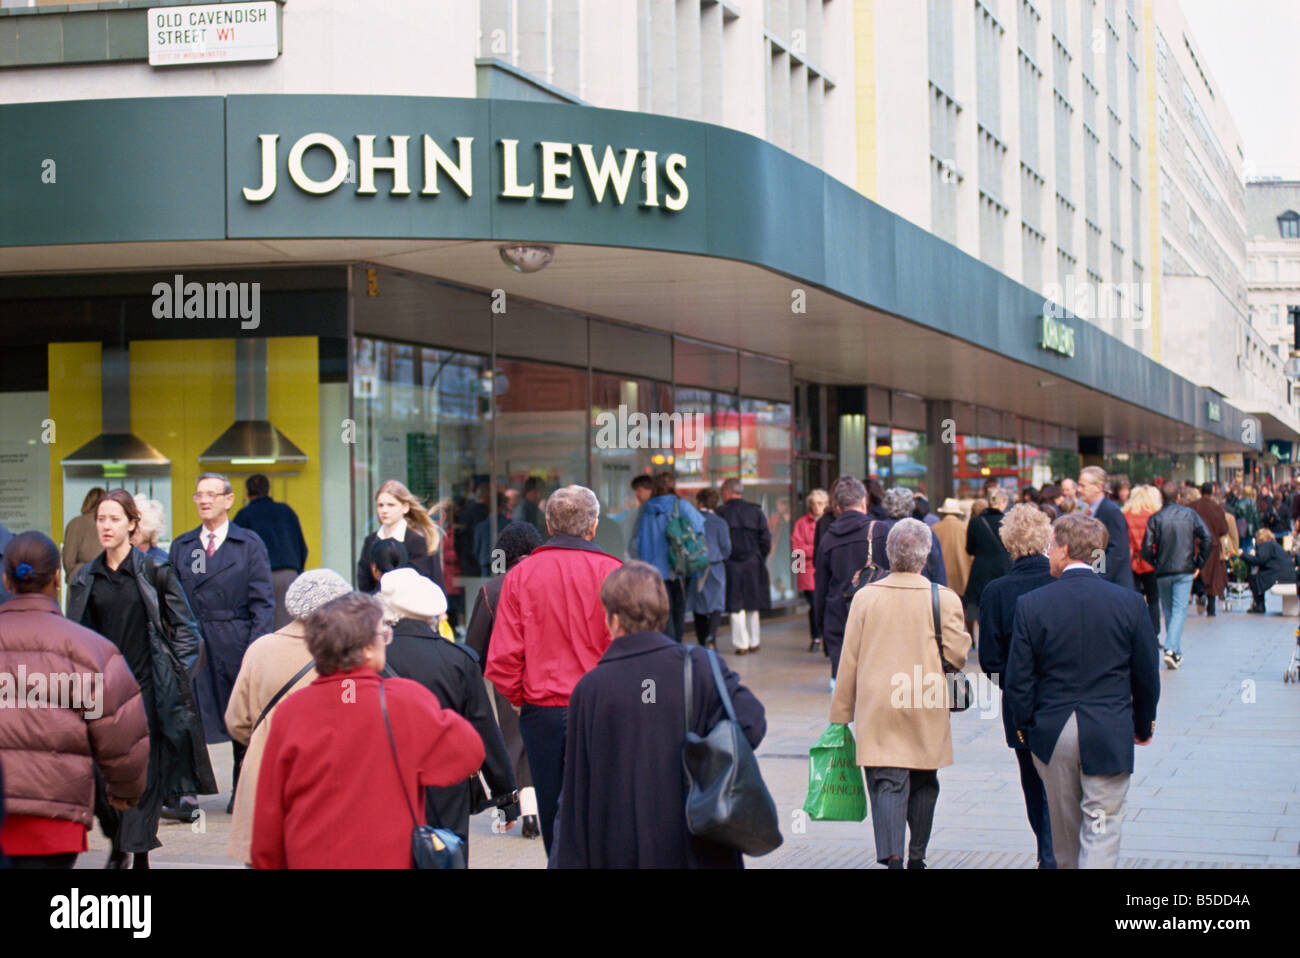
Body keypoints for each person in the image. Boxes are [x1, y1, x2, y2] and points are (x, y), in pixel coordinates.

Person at [550, 561, 767, 868]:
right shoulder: (701, 666)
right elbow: (752, 723)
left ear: (614, 620)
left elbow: (575, 794)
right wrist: (704, 763)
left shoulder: (590, 689)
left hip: (618, 850)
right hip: (698, 846)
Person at [251, 592, 485, 868]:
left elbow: (269, 815)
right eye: (382, 633)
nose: (386, 638)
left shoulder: (290, 712)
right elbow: (468, 753)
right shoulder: (406, 700)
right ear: (366, 649)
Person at [67, 489, 217, 868]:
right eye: (101, 519)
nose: (106, 526)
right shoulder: (85, 578)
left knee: (144, 772)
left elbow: (187, 630)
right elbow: (75, 640)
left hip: (147, 689)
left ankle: (140, 854)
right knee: (103, 773)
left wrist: (175, 674)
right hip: (103, 694)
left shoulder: (155, 571)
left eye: (114, 519)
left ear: (133, 525)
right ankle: (121, 842)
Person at [1004, 513, 1161, 869]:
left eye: (1051, 546)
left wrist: (1027, 727)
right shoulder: (1130, 603)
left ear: (1064, 549)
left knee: (1065, 838)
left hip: (1054, 731)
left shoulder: (1032, 604)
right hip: (1108, 729)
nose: (1048, 553)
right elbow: (1146, 676)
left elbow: (1018, 680)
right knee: (1102, 827)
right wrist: (1143, 725)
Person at [484, 485, 622, 854]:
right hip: (600, 708)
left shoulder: (520, 575)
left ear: (548, 525)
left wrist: (519, 699)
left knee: (552, 809)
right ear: (593, 526)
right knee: (603, 808)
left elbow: (503, 656)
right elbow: (626, 650)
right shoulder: (614, 573)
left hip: (542, 709)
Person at [0, 532, 150, 869]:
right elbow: (121, 736)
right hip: (56, 822)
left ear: (7, 581)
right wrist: (124, 792)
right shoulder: (90, 650)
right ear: (57, 577)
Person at [829, 519, 971, 869]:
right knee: (924, 779)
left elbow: (849, 659)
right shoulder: (943, 598)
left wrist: (840, 716)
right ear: (926, 556)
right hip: (924, 700)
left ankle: (892, 855)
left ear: (888, 554)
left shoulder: (865, 597)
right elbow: (957, 655)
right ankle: (917, 856)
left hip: (879, 704)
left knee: (886, 782)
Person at [380, 568, 517, 860]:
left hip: (387, 779)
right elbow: (485, 730)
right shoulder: (459, 661)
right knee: (445, 857)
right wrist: (505, 796)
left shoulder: (372, 658)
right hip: (447, 785)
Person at [223, 568, 352, 865]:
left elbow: (236, 720)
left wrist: (262, 737)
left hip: (262, 773)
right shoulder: (345, 656)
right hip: (322, 781)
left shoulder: (260, 649)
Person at [169, 472, 275, 817]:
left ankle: (241, 789)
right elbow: (172, 599)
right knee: (187, 716)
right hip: (194, 642)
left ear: (229, 500)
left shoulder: (249, 544)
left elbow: (263, 603)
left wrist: (256, 650)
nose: (204, 500)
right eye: (199, 495)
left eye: (212, 494)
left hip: (235, 640)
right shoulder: (184, 546)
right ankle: (186, 792)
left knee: (240, 716)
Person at [976, 505, 1057, 868]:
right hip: (1062, 699)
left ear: (1008, 543)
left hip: (1020, 704)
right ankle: (1054, 852)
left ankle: (1047, 851)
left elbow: (989, 661)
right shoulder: (1059, 584)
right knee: (1062, 781)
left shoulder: (996, 591)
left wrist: (1012, 684)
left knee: (1033, 782)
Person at [465, 521, 545, 840]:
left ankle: (526, 812)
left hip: (508, 676)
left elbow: (473, 647)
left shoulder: (492, 590)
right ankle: (545, 807)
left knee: (514, 742)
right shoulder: (550, 580)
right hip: (550, 673)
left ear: (504, 552)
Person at [1140, 481, 1211, 670]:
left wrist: (1155, 562)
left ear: (1161, 497)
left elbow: (1145, 548)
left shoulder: (1155, 518)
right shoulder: (1189, 515)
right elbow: (1207, 538)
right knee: (1179, 609)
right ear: (1178, 496)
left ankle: (1175, 652)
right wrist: (1198, 562)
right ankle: (1171, 648)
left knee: (1169, 609)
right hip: (1184, 568)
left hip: (1163, 570)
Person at [629, 471, 706, 641]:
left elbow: (637, 542)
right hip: (679, 567)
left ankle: (667, 644)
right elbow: (700, 527)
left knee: (662, 611)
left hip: (653, 570)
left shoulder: (646, 509)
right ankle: (675, 646)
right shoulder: (681, 506)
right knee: (679, 611)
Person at [813, 478, 874, 686]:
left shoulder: (827, 537)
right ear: (863, 502)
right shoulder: (879, 532)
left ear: (837, 507)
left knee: (840, 680)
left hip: (838, 612)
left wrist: (821, 624)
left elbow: (820, 582)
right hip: (870, 614)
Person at [233, 474, 309, 630]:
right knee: (288, 628)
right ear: (268, 489)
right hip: (289, 575)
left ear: (247, 492)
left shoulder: (243, 515)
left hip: (259, 578)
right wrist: (296, 572)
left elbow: (235, 553)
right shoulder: (286, 511)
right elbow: (303, 548)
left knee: (263, 626)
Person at [356, 479, 442, 593]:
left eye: (391, 505)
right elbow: (364, 582)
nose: (384, 510)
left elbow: (420, 582)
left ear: (405, 507)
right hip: (376, 602)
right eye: (380, 505)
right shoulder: (371, 541)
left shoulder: (417, 541)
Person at [717, 478, 771, 654]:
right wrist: (759, 557)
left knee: (735, 604)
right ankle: (754, 641)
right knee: (752, 603)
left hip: (731, 563)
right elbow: (766, 540)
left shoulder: (721, 512)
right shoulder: (755, 511)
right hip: (753, 562)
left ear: (727, 492)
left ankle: (741, 644)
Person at [687, 487, 732, 650]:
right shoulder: (720, 522)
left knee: (698, 605)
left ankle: (701, 641)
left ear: (700, 503)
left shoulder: (692, 520)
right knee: (716, 603)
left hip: (696, 567)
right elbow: (727, 548)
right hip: (716, 567)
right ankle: (711, 637)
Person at [1077, 466, 1134, 589]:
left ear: (1098, 487)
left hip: (1113, 585)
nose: (1079, 489)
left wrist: (1098, 577)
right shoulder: (1093, 510)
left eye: (1083, 486)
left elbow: (1117, 550)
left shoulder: (1110, 511)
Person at [964, 487, 1013, 629]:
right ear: (1004, 502)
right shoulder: (1008, 522)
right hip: (1004, 568)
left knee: (977, 605)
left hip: (980, 569)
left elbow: (969, 549)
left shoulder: (975, 521)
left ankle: (977, 634)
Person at [1122, 485, 1163, 641]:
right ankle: (1154, 634)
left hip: (1133, 561)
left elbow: (1126, 540)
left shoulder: (1125, 515)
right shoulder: (1155, 515)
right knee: (1153, 598)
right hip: (1151, 562)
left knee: (1134, 599)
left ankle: (1136, 634)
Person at [1188, 482, 1229, 617]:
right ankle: (1211, 608)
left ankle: (1200, 593)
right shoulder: (1217, 509)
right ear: (1212, 492)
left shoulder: (1192, 507)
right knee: (1212, 577)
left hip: (1195, 544)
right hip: (1212, 546)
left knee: (1197, 571)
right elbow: (1224, 529)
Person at [792, 490, 827, 652]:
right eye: (813, 503)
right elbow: (797, 549)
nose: (816, 507)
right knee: (814, 605)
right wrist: (817, 550)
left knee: (826, 604)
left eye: (820, 503)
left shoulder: (830, 522)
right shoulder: (801, 523)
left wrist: (812, 549)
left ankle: (825, 636)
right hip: (807, 571)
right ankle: (816, 637)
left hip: (825, 569)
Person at [1242, 528, 1296, 613]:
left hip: (1280, 575)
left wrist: (1243, 555)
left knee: (1254, 578)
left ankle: (1259, 605)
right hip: (1289, 574)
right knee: (1258, 577)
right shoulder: (1273, 544)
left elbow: (1259, 560)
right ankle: (1259, 605)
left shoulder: (1266, 545)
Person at [62, 486, 105, 579]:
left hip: (78, 577)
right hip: (104, 579)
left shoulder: (74, 524)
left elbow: (68, 560)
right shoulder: (110, 524)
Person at [933, 498, 971, 596]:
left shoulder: (934, 529)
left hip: (940, 582)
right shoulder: (966, 528)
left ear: (942, 513)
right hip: (963, 580)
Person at [129, 496, 170, 563]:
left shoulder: (160, 560)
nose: (129, 532)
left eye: (136, 529)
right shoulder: (116, 557)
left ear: (148, 531)